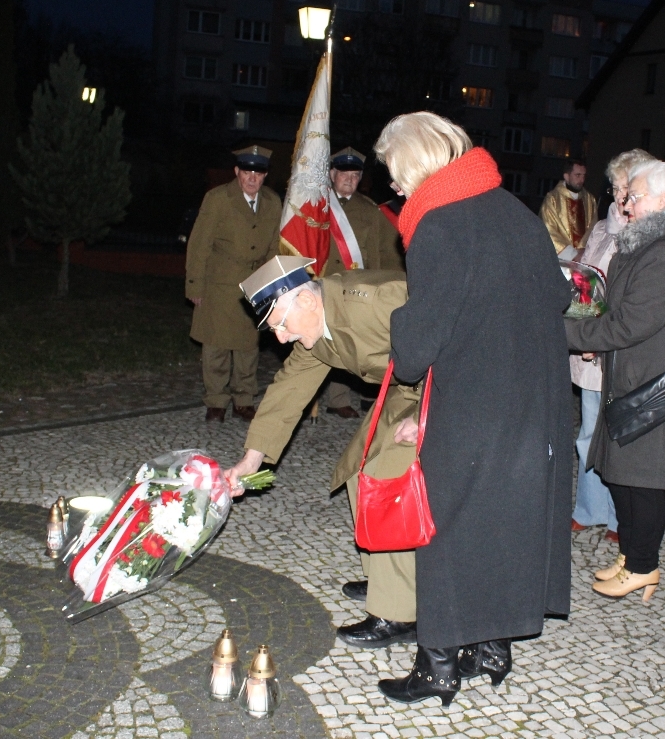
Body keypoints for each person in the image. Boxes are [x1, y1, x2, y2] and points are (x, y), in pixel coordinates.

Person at [373, 112, 572, 707]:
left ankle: (438, 667)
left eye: (394, 173)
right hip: (534, 398)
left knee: (451, 525)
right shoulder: (514, 211)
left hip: (475, 402)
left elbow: (420, 340)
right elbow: (558, 294)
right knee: (507, 522)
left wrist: (399, 327)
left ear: (415, 163)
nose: (396, 188)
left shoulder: (438, 223)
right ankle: (493, 650)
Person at [223, 255, 421, 649]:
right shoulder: (316, 326)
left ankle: (401, 612)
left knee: (387, 479)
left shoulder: (382, 301)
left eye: (280, 324)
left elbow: (460, 340)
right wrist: (252, 459)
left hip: (441, 388)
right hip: (400, 391)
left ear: (309, 302)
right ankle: (386, 579)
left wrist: (432, 419)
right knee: (356, 470)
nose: (280, 338)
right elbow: (288, 390)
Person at [566, 161, 665, 601]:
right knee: (624, 474)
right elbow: (620, 310)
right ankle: (632, 556)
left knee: (643, 478)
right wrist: (595, 338)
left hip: (656, 380)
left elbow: (633, 323)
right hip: (635, 371)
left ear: (664, 200)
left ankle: (644, 565)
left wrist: (567, 334)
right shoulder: (652, 240)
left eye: (635, 196)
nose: (626, 202)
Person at [569, 148, 655, 540]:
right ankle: (589, 510)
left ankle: (623, 520)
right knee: (589, 432)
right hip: (591, 347)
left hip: (621, 350)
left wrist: (601, 339)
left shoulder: (649, 235)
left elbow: (635, 301)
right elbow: (588, 283)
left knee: (621, 436)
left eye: (629, 187)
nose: (621, 196)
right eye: (617, 186)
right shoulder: (603, 228)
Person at [185, 145, 281, 422]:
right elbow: (199, 244)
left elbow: (274, 246)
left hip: (254, 283)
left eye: (259, 173)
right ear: (237, 172)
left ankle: (243, 399)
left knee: (247, 346)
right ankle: (216, 400)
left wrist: (272, 286)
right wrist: (195, 286)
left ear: (265, 176)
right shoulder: (218, 199)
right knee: (216, 346)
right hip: (220, 283)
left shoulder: (273, 202)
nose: (252, 178)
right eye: (247, 172)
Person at [323, 147, 406, 419]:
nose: (350, 179)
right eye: (344, 174)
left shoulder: (370, 211)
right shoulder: (316, 205)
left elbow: (383, 252)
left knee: (350, 341)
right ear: (332, 174)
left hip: (355, 289)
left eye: (356, 175)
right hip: (323, 285)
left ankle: (341, 398)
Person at [540, 159, 598, 255]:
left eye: (584, 176)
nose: (582, 180)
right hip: (561, 259)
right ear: (566, 176)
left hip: (584, 257)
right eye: (578, 175)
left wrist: (583, 250)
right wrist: (571, 254)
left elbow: (594, 228)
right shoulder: (552, 199)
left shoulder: (590, 200)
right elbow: (548, 229)